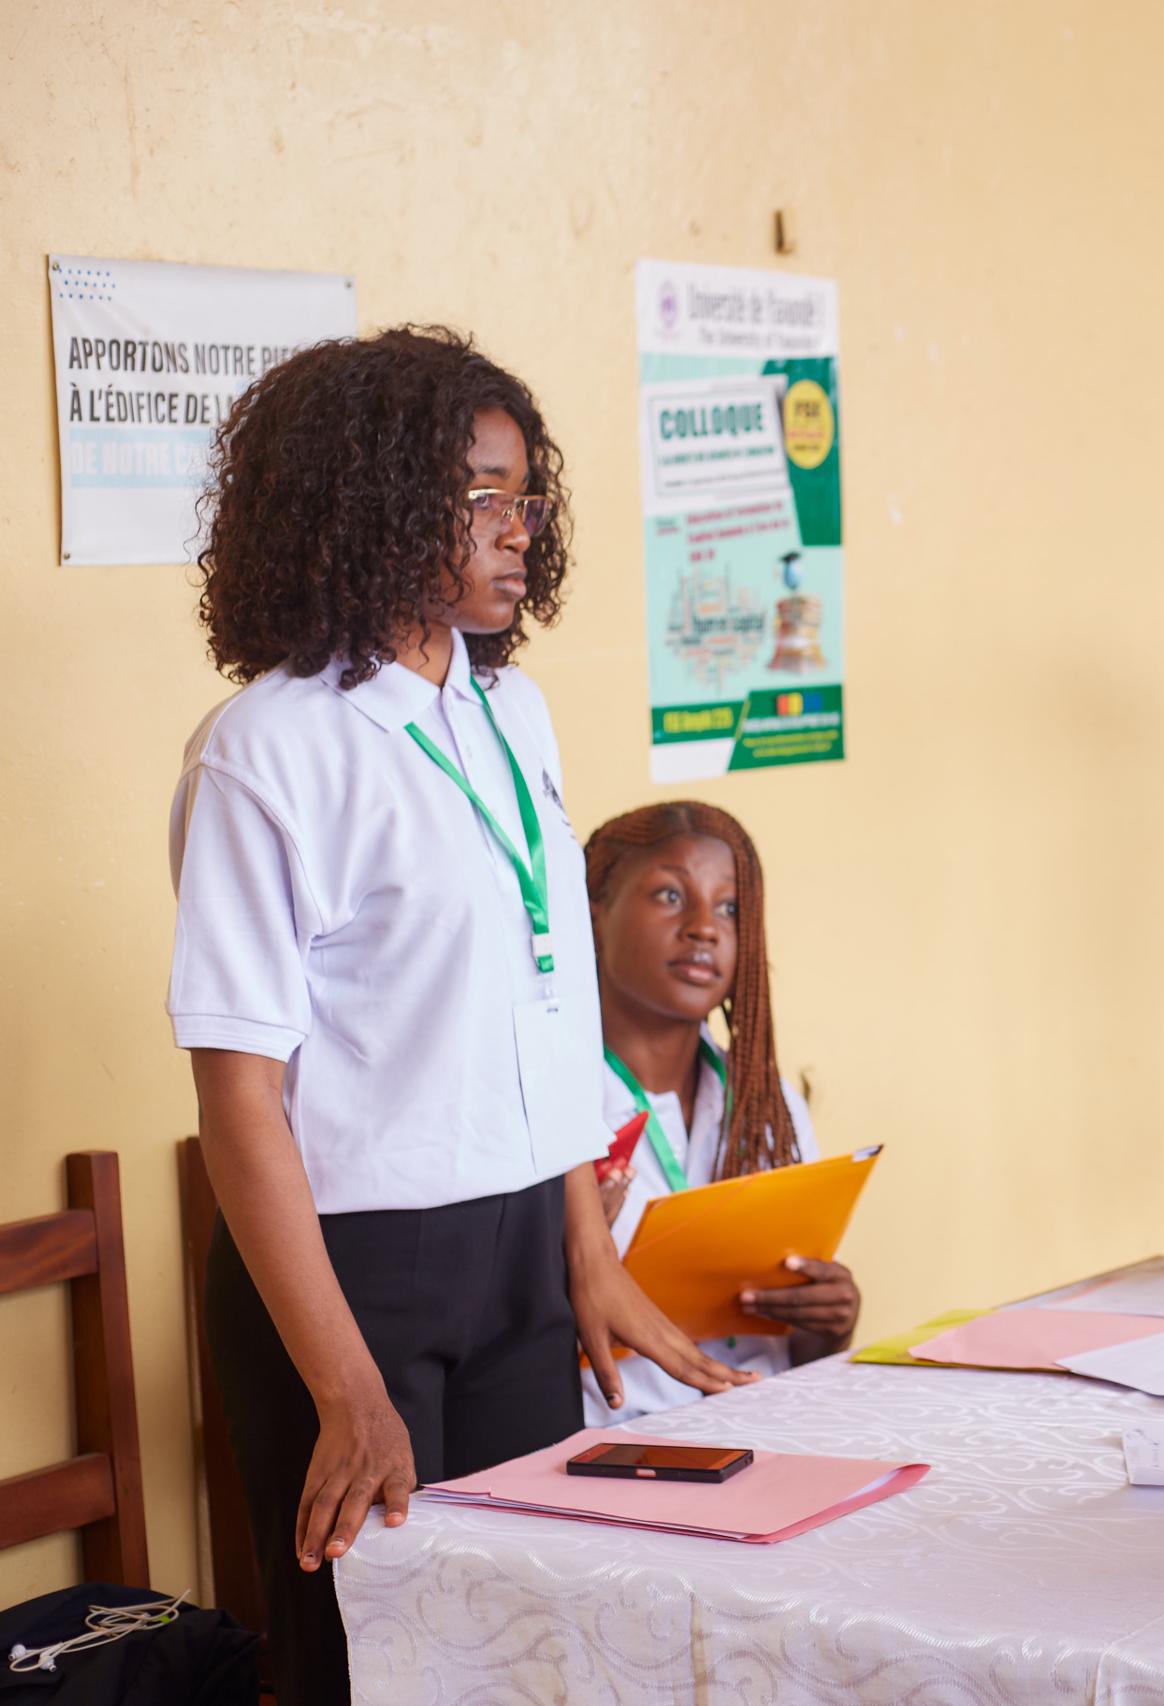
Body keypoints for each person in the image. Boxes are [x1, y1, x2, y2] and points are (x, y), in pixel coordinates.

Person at [169, 328, 747, 1706]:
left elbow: (541, 1010)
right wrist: (342, 1383)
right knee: (369, 1669)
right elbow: (241, 1092)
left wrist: (583, 1255)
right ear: (368, 507)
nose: (518, 528)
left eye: (522, 494)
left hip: (516, 1261)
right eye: (480, 496)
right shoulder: (267, 749)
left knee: (523, 1648)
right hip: (351, 1277)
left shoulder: (511, 709)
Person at [581, 802, 860, 1423]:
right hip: (613, 1451)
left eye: (729, 909)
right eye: (671, 896)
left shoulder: (769, 1107)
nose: (705, 927)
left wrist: (828, 1323)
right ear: (594, 910)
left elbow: (791, 1346)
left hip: (766, 1433)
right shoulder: (549, 1107)